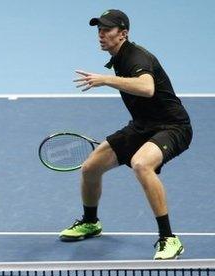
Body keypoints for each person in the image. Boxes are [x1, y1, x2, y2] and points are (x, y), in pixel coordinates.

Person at [62, 10, 192, 260]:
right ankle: (91, 222)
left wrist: (106, 80)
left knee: (141, 164)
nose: (101, 35)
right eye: (99, 29)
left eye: (107, 30)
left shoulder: (135, 57)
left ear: (123, 34)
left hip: (172, 127)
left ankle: (169, 238)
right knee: (90, 168)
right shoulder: (118, 58)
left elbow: (147, 87)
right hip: (142, 126)